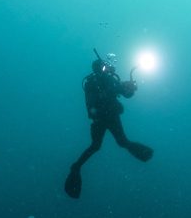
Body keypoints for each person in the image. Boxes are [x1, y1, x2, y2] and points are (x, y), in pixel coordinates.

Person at [64, 54, 153, 198]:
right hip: (103, 117)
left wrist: (130, 88)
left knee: (112, 143)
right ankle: (76, 167)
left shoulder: (108, 79)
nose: (106, 69)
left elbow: (125, 94)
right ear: (99, 68)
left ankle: (76, 167)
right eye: (104, 67)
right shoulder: (93, 82)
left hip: (107, 117)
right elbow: (100, 96)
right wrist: (119, 88)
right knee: (102, 145)